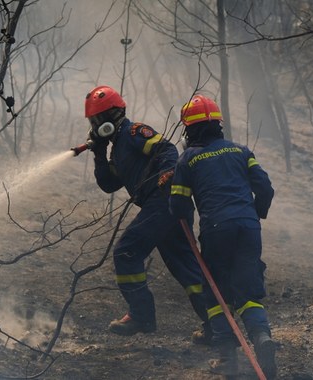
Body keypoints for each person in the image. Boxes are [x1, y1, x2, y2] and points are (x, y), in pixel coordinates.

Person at [72, 85, 211, 342]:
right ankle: (217, 325)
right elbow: (108, 184)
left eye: (97, 120)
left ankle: (142, 315)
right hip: (163, 207)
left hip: (163, 202)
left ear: (112, 116)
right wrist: (99, 153)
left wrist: (167, 178)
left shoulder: (134, 132)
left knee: (126, 252)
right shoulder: (118, 149)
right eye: (92, 122)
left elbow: (167, 150)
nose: (94, 126)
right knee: (188, 270)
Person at [169, 94, 277, 378]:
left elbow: (179, 206)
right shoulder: (242, 152)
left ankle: (227, 360)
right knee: (248, 289)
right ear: (219, 125)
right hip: (248, 227)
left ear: (188, 130)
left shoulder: (188, 160)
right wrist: (254, 214)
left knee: (216, 295)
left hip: (216, 229)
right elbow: (265, 189)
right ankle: (262, 337)